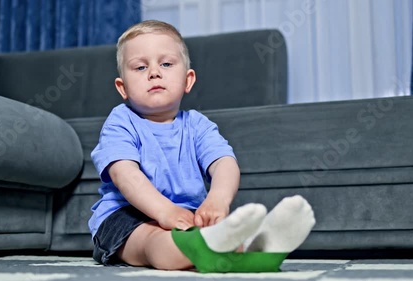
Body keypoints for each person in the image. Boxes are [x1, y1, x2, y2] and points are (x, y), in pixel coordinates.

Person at [88, 19, 316, 272]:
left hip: (187, 217)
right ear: (123, 88)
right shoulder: (121, 121)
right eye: (140, 67)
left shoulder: (197, 124)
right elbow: (125, 174)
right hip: (125, 217)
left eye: (165, 63)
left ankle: (261, 248)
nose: (154, 72)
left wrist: (217, 199)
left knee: (220, 233)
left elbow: (224, 163)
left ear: (188, 80)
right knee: (153, 240)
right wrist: (164, 211)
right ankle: (203, 246)